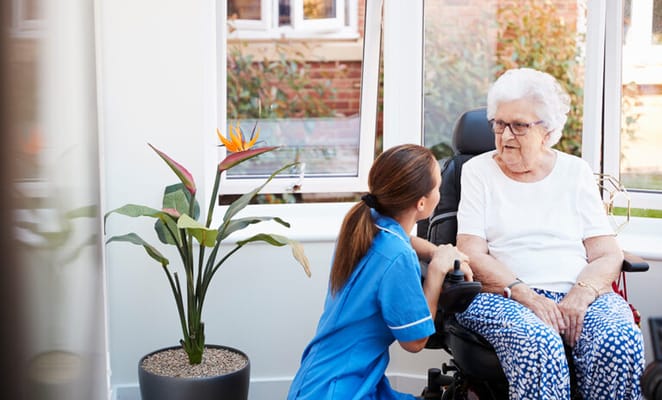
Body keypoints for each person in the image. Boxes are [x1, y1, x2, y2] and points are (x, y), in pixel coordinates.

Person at [455, 67, 645, 399]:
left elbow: (606, 252)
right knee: (538, 342)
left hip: (578, 293)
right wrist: (527, 295)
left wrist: (581, 295)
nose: (505, 135)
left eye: (519, 125)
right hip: (503, 295)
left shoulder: (575, 171)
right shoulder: (477, 172)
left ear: (548, 131)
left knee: (619, 338)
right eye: (499, 124)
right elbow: (471, 252)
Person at [287, 144, 471, 400]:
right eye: (438, 188)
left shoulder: (366, 221)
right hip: (341, 391)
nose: (440, 193)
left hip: (321, 380)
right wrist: (438, 272)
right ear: (421, 203)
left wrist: (437, 252)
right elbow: (415, 342)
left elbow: (405, 239)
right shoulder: (397, 257)